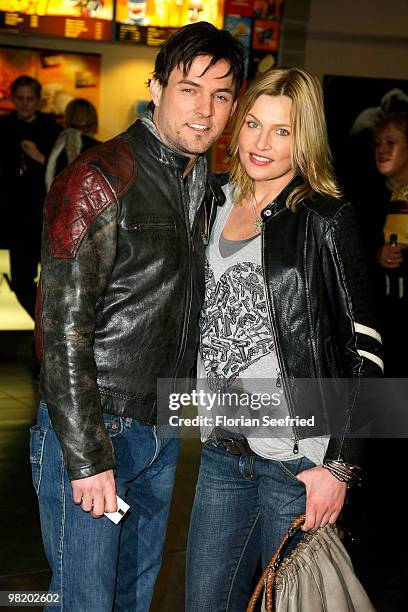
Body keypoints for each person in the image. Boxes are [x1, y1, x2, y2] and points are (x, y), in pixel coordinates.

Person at [32, 22, 245, 612]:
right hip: (98, 427)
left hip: (162, 428)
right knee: (81, 600)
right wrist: (88, 455)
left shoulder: (201, 186)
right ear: (156, 88)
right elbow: (60, 332)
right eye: (190, 88)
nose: (205, 110)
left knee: (131, 600)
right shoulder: (99, 178)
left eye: (222, 95)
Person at [185, 67, 383, 611]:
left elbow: (366, 356)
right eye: (253, 124)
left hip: (296, 462)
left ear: (306, 140)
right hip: (222, 451)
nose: (261, 143)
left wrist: (340, 468)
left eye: (282, 131)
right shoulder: (214, 200)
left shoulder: (325, 217)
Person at [0, 75, 60, 319]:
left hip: (45, 213)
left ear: (38, 100)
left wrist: (39, 157)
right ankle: (45, 328)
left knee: (53, 279)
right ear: (13, 99)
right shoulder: (3, 127)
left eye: (30, 99)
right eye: (20, 99)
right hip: (15, 214)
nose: (25, 104)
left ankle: (50, 330)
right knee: (22, 279)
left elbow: (65, 172)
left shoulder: (53, 130)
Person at [374, 112, 408, 377]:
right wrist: (377, 254)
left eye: (391, 142)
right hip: (381, 318)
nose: (382, 150)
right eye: (377, 144)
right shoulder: (365, 197)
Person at [45, 97, 100, 191]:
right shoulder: (99, 148)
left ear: (68, 117)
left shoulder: (57, 144)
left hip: (57, 200)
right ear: (93, 118)